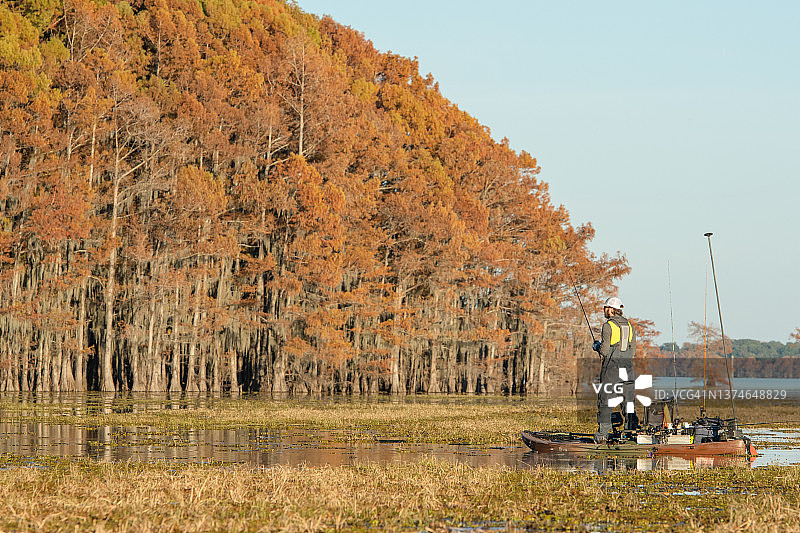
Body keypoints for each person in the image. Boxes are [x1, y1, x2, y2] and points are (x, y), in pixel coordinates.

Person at [592, 296, 637, 443]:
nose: (604, 310)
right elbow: (633, 351)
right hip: (628, 367)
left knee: (605, 400)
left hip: (612, 367)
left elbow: (604, 351)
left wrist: (596, 346)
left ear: (611, 309)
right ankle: (631, 431)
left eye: (605, 308)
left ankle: (602, 435)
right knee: (628, 400)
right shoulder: (630, 326)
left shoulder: (608, 326)